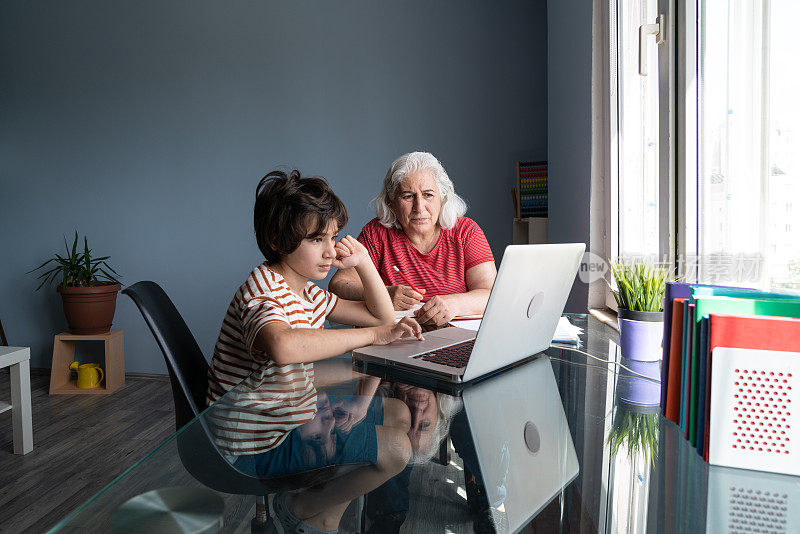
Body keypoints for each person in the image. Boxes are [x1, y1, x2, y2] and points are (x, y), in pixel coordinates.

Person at [206, 169, 425, 534]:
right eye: (316, 239)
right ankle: (306, 507)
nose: (330, 250)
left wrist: (365, 263)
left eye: (334, 236)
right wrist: (374, 335)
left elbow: (382, 318)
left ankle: (325, 509)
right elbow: (282, 345)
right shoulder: (261, 291)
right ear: (278, 239)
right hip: (253, 443)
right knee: (397, 450)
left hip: (290, 415)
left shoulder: (308, 291)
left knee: (400, 412)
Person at [329, 151, 497, 326]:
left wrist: (455, 304)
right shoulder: (377, 233)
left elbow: (491, 293)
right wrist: (383, 293)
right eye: (408, 196)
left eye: (428, 195)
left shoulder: (466, 231)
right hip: (396, 338)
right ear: (391, 202)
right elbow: (339, 285)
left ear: (443, 198)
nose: (419, 207)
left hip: (455, 337)